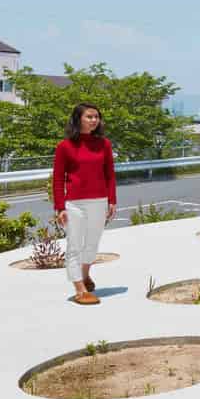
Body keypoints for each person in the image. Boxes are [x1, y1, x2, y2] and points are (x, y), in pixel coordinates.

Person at [52, 103, 117, 305]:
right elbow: (57, 178)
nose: (94, 120)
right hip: (74, 204)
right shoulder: (65, 147)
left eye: (96, 117)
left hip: (99, 201)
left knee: (92, 243)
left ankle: (85, 274)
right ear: (78, 119)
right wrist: (60, 207)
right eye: (89, 117)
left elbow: (110, 174)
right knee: (74, 245)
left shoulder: (104, 144)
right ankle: (79, 289)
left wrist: (112, 200)